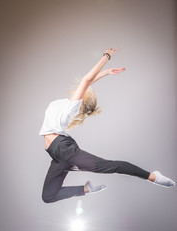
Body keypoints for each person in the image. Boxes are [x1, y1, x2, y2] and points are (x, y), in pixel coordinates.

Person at [39, 47, 175, 203]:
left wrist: (106, 56)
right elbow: (85, 83)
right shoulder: (65, 103)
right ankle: (86, 189)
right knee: (48, 196)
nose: (81, 91)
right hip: (57, 155)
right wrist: (106, 73)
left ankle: (152, 177)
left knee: (111, 167)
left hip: (64, 150)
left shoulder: (72, 108)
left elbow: (86, 80)